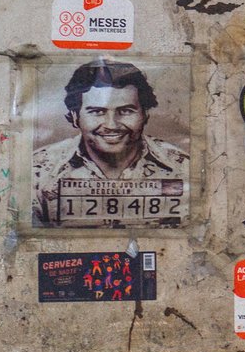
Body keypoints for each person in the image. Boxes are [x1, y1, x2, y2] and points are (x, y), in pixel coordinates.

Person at [32, 59, 190, 227]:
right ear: (75, 117)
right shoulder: (37, 172)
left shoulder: (183, 167)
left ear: (145, 115)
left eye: (126, 111)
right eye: (97, 112)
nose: (112, 125)